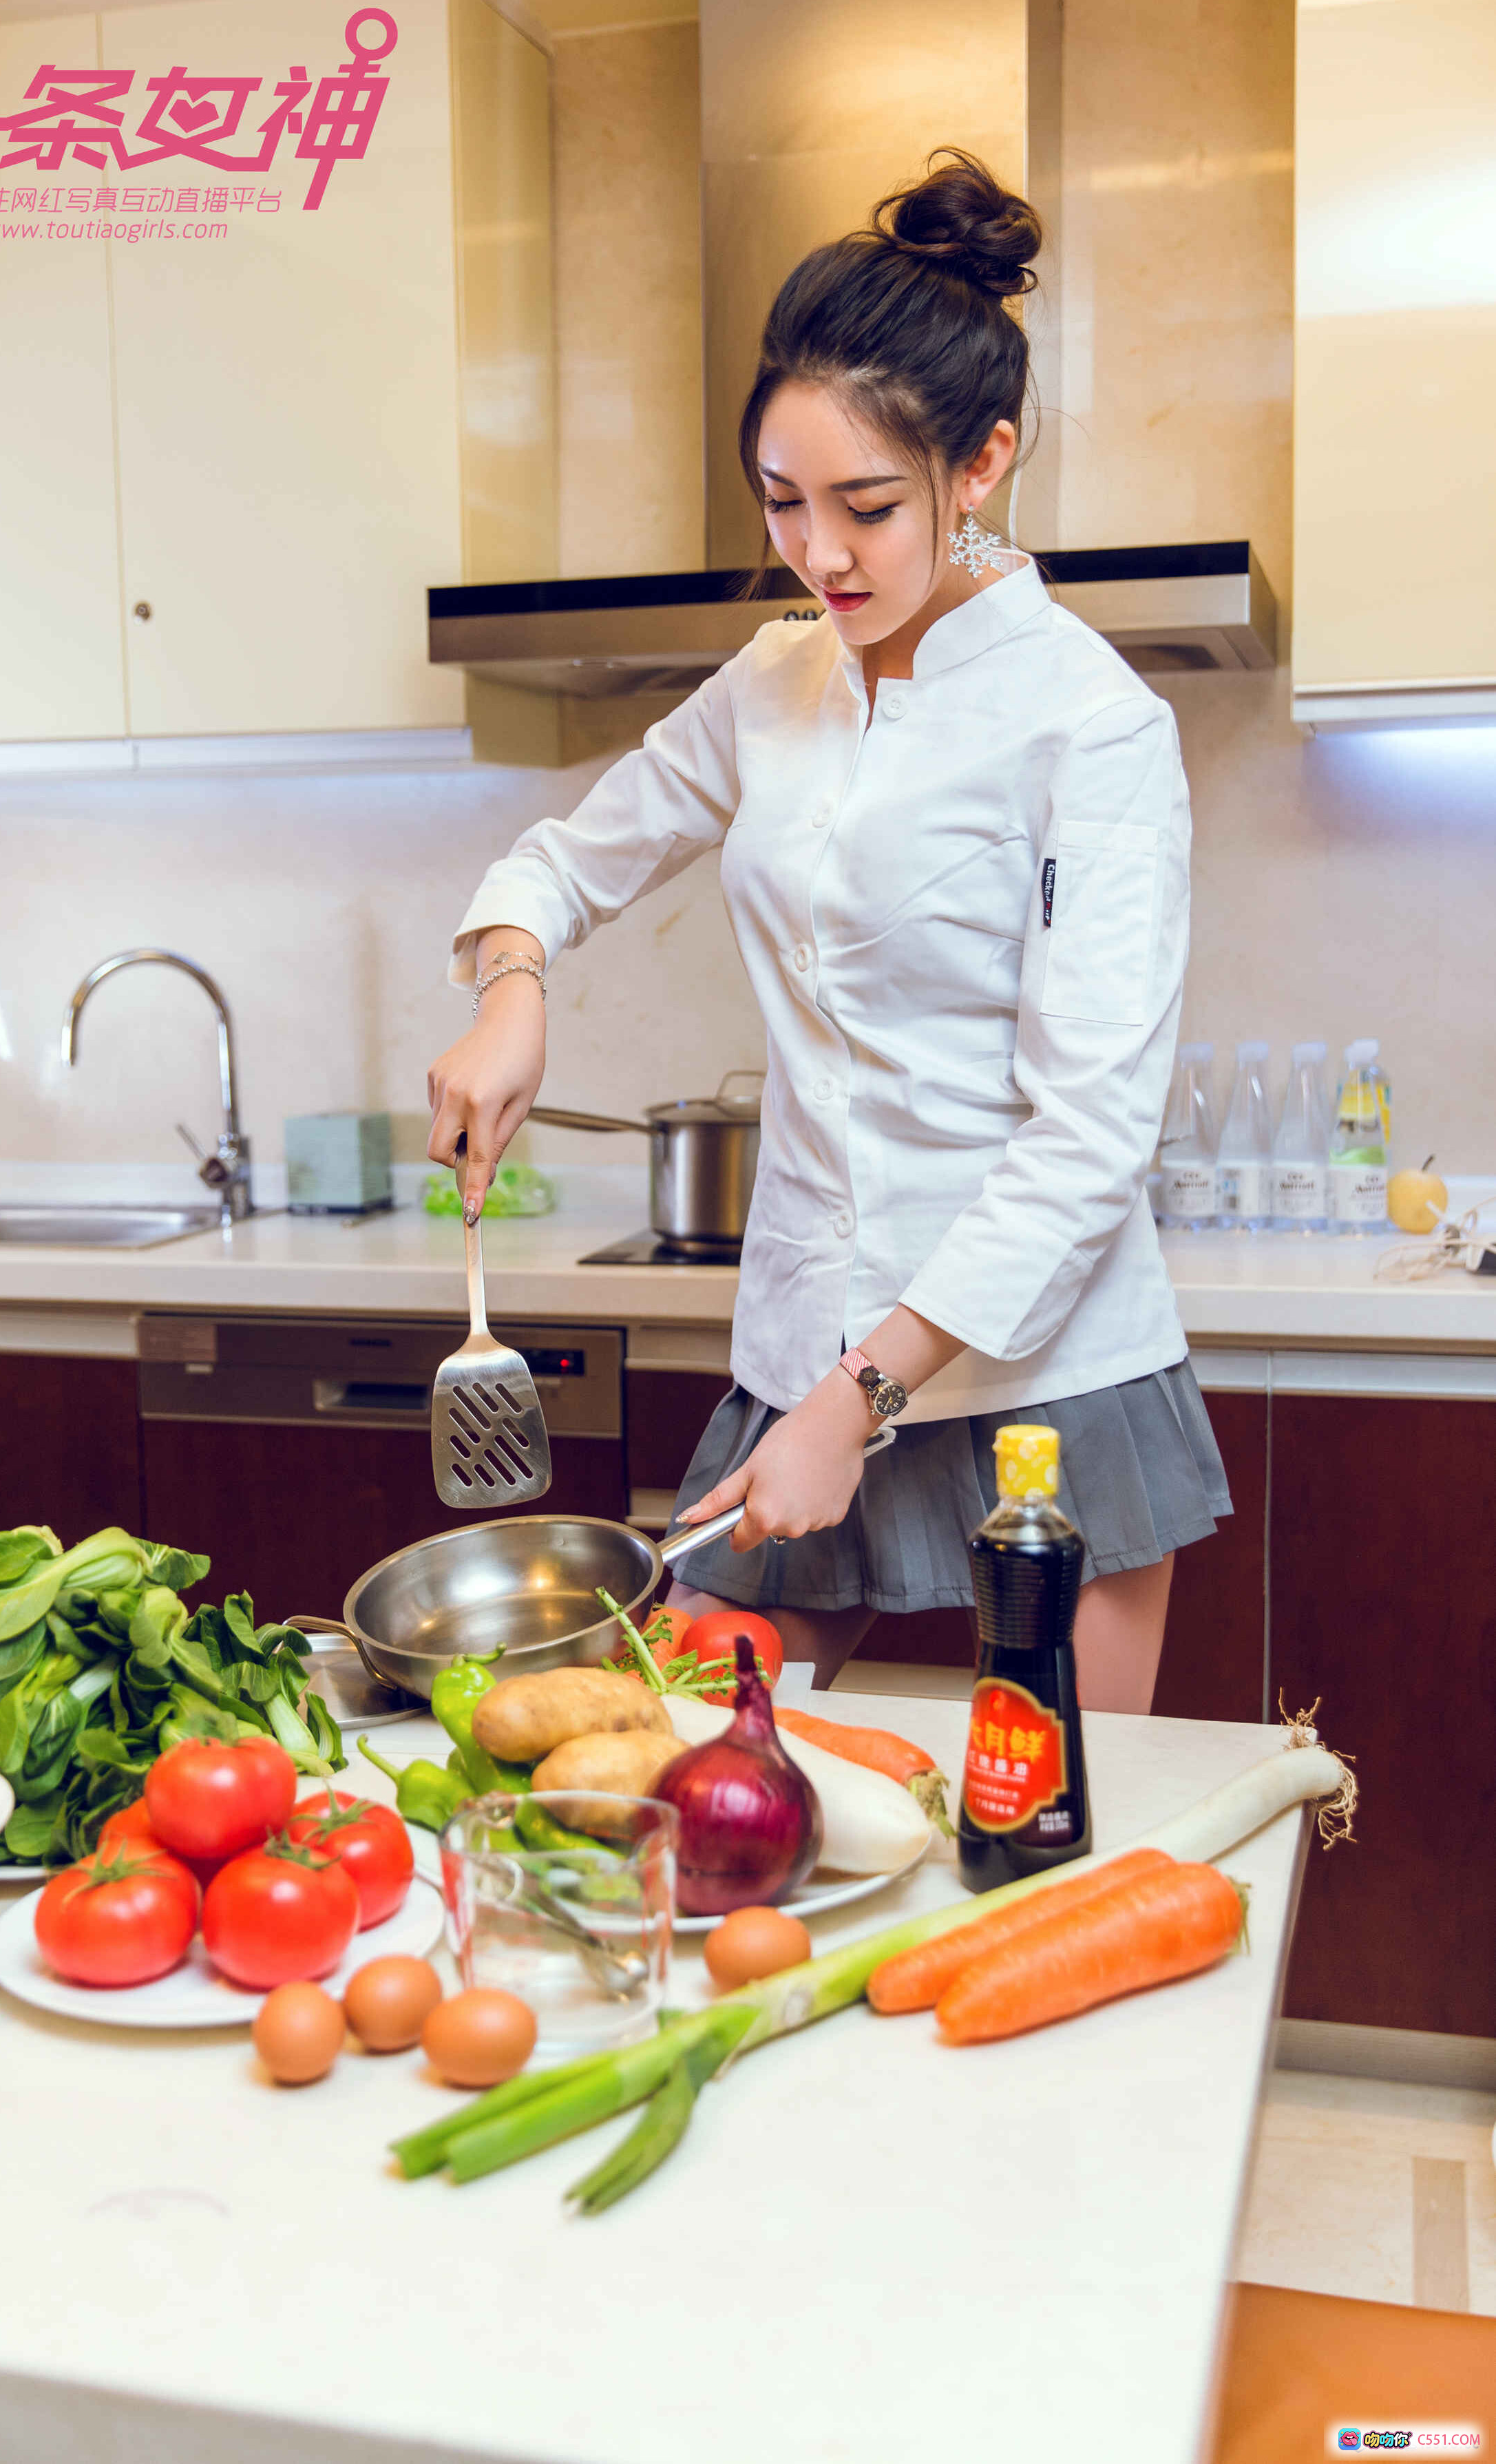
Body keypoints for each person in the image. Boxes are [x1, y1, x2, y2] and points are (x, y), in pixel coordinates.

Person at [427, 149, 1230, 1712]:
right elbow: (563, 861)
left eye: (866, 506)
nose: (819, 554)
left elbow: (1087, 1136)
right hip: (806, 1331)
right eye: (782, 501)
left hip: (1039, 1370)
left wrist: (860, 1400)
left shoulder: (1093, 726)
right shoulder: (775, 679)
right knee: (687, 1764)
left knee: (1052, 1813)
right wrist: (511, 985)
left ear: (981, 463)